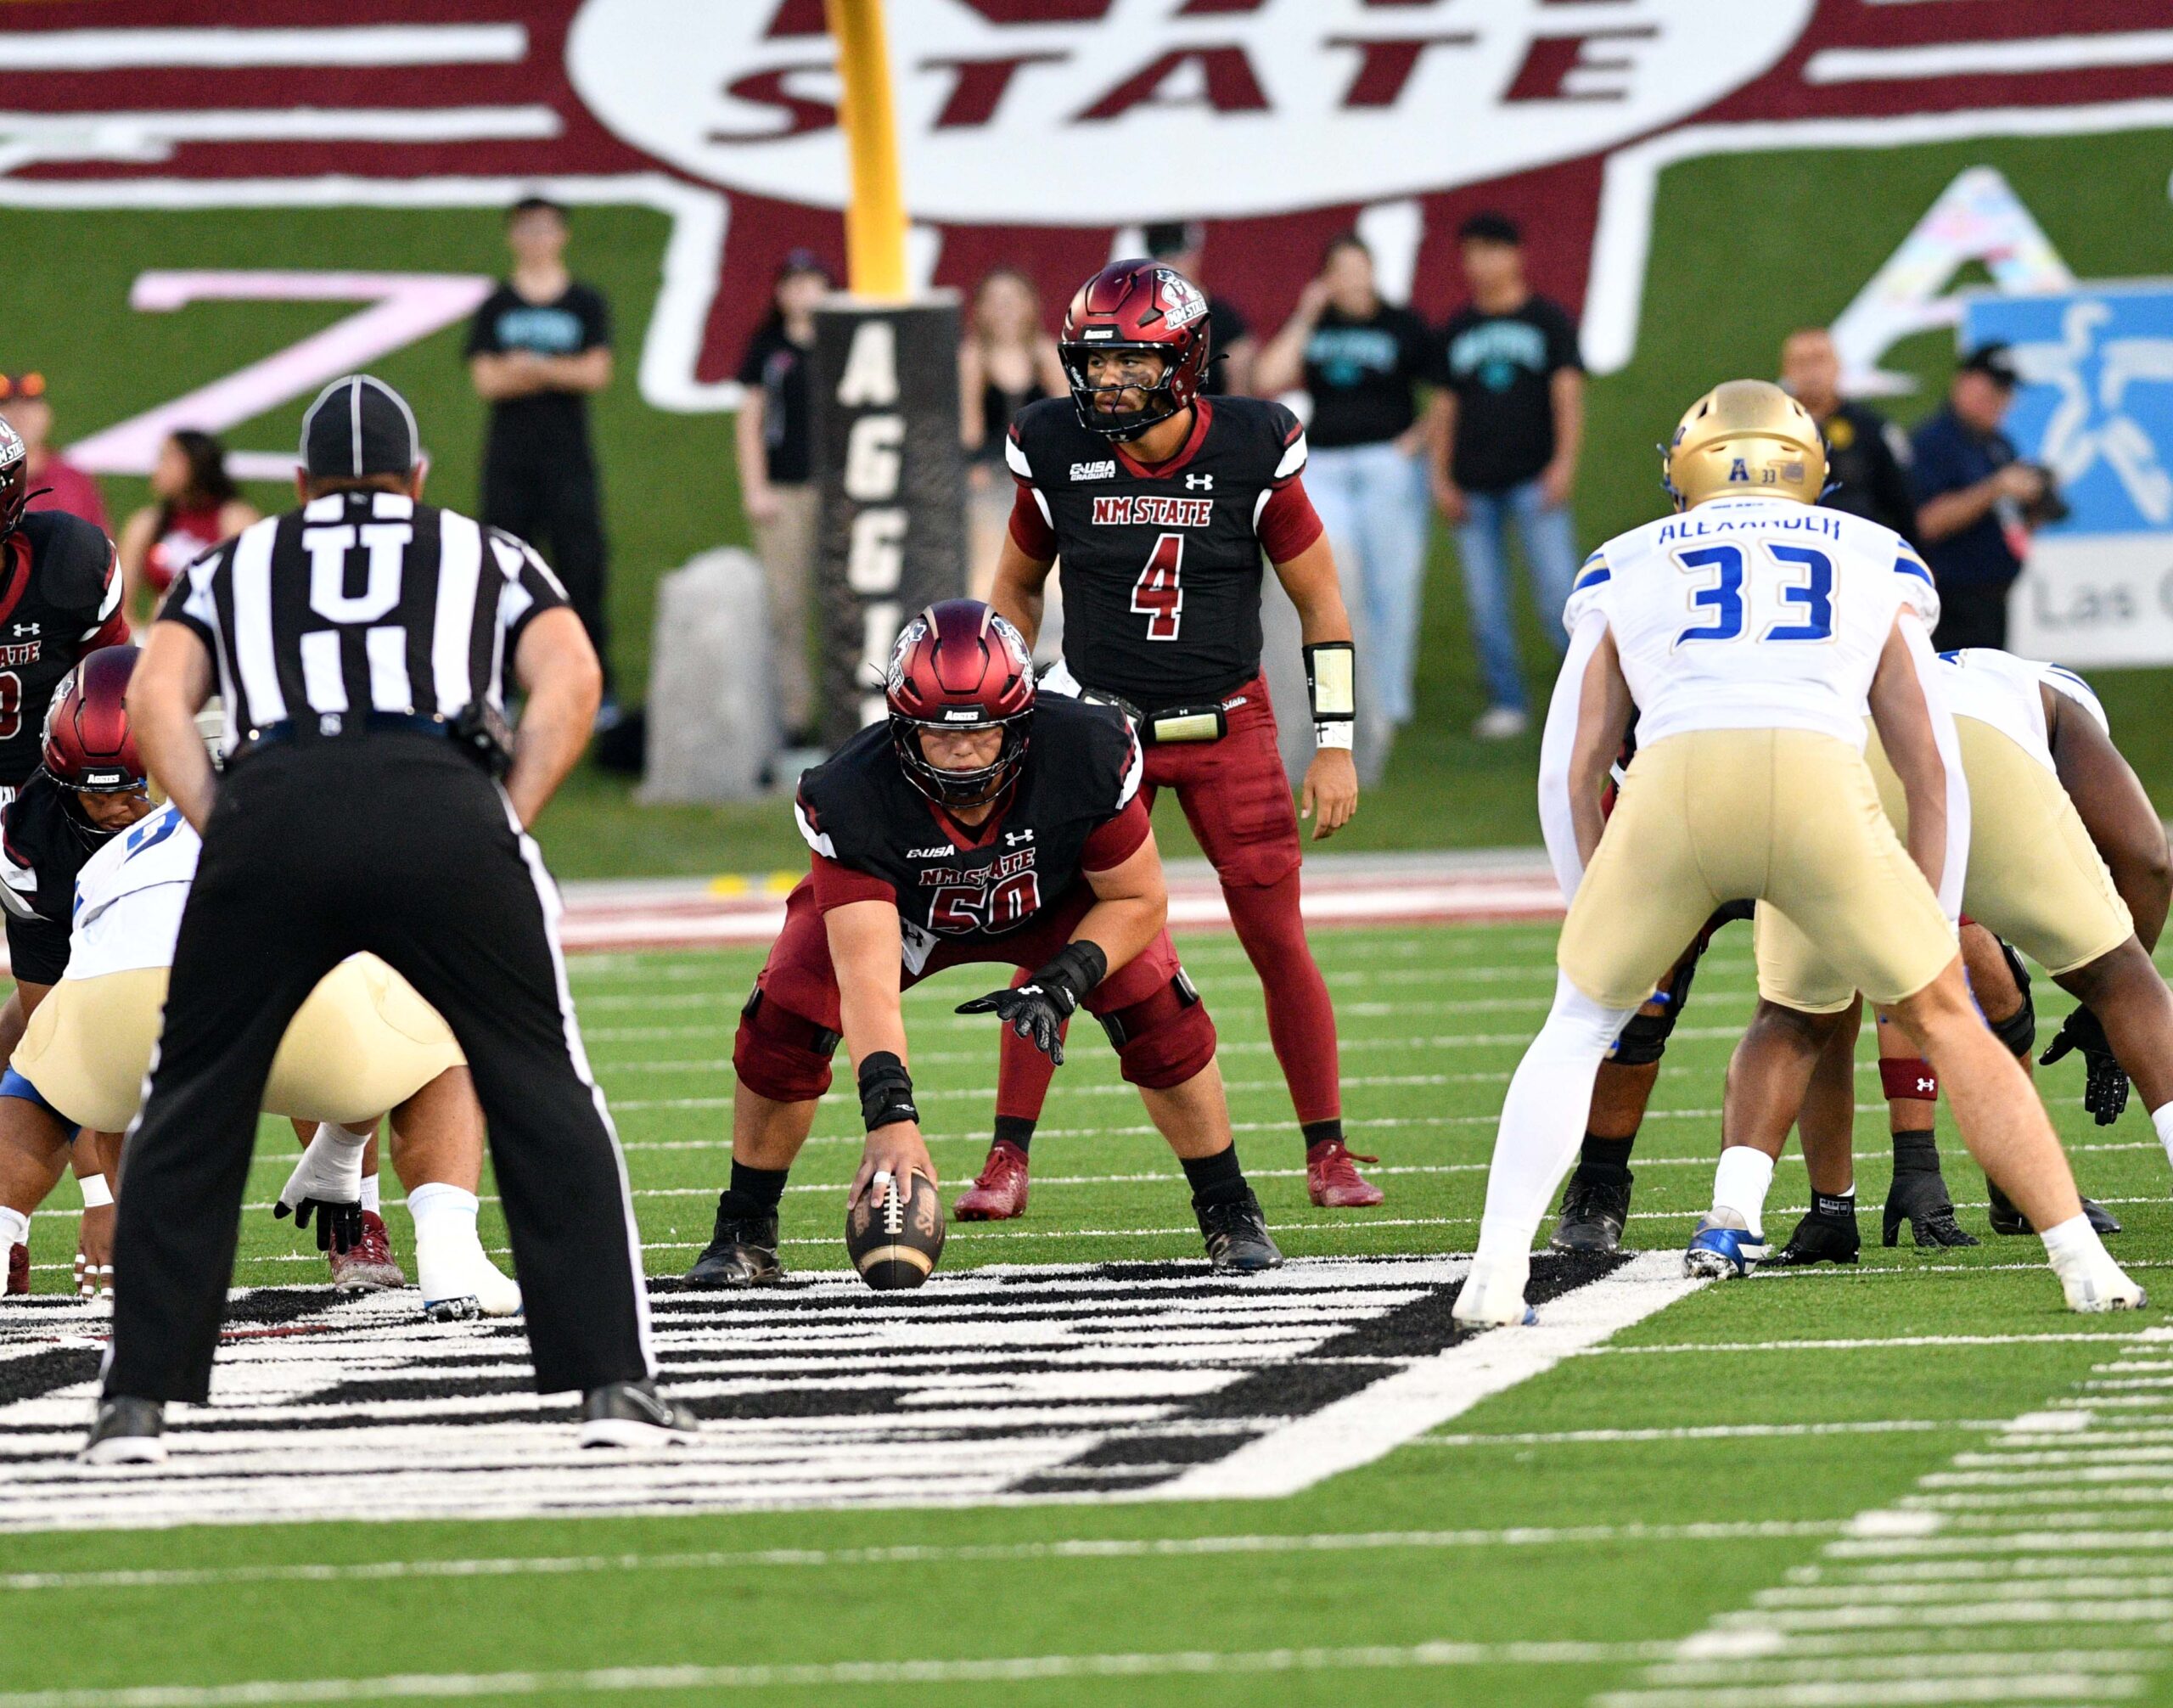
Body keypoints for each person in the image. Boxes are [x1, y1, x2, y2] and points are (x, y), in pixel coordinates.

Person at [82, 373, 686, 1464]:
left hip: (277, 795)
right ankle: (611, 1383)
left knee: (193, 1098)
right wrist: (506, 814)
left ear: (303, 485)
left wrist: (225, 822)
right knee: (542, 1083)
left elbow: (153, 701)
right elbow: (573, 677)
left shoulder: (231, 562)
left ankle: (138, 1401)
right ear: (417, 480)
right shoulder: (481, 551)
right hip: (439, 794)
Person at [1453, 379, 2141, 1329]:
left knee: (1576, 1023)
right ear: (1806, 467)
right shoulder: (1873, 552)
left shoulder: (1623, 560)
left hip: (1676, 784)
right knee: (1947, 1018)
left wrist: (1590, 905)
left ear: (1687, 470)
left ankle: (1494, 1273)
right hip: (1818, 782)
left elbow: (1570, 767)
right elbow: (1927, 762)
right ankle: (2082, 1258)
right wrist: (1934, 915)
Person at [682, 600, 1283, 1284]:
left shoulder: (1087, 749)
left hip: (1049, 899)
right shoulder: (852, 791)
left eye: (984, 732)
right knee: (785, 1014)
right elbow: (867, 982)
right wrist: (890, 1115)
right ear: (902, 727)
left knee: (1160, 1008)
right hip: (911, 915)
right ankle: (745, 1229)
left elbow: (1138, 898)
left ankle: (1230, 1209)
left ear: (1022, 723)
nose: (962, 750)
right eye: (938, 734)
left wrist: (1065, 980)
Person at [967, 258, 1375, 1224]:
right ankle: (1004, 1157)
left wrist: (1335, 741)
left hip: (1227, 722)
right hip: (1097, 728)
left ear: (1184, 361)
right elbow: (1017, 584)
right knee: (1053, 934)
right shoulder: (1054, 443)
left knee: (1276, 939)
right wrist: (1006, 696)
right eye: (1094, 363)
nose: (1103, 383)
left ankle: (1326, 1147)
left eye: (1127, 363)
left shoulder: (1253, 444)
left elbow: (1321, 604)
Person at [1715, 647, 2173, 1268]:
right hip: (1978, 755)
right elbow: (2149, 860)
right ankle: (2021, 1201)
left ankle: (1737, 1218)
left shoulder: (1925, 669)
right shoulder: (2054, 702)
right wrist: (2106, 1008)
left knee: (1793, 1015)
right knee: (2119, 977)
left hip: (1819, 758)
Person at [0, 792, 520, 1319]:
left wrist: (102, 1196)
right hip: (293, 1007)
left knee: (31, 1078)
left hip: (121, 1018)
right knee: (439, 1039)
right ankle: (449, 1251)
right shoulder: (331, 805)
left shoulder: (123, 845)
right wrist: (343, 1142)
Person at [0, 646, 158, 1297]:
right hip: (112, 1000)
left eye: (129, 787)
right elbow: (59, 1027)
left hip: (235, 990)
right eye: (95, 798)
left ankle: (355, 1196)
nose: (116, 808)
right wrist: (99, 1193)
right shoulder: (31, 840)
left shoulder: (235, 792)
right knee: (25, 1046)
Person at [1255, 233, 1435, 733]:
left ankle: (1391, 702)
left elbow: (1444, 390)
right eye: (1341, 270)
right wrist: (1307, 313)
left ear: (1373, 271)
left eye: (1359, 268)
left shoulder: (1401, 324)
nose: (1352, 280)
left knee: (1391, 587)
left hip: (1385, 465)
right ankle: (1341, 694)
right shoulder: (1319, 325)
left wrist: (1416, 441)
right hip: (1326, 468)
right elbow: (1269, 374)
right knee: (1332, 584)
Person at [1429, 212, 1585, 740]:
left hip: (1533, 480)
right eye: (1472, 252)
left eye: (1492, 250)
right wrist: (1441, 477)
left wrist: (1563, 464)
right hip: (1473, 485)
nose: (1482, 263)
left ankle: (1592, 695)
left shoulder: (1548, 321)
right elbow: (1444, 408)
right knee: (1485, 602)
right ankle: (1507, 701)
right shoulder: (1458, 329)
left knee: (1560, 596)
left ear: (1516, 256)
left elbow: (1567, 397)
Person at [467, 196, 617, 711]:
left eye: (545, 228)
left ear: (562, 235)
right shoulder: (496, 304)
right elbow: (486, 380)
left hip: (568, 459)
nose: (535, 239)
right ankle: (499, 691)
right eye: (526, 229)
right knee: (500, 571)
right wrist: (558, 368)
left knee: (583, 569)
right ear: (513, 236)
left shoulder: (585, 303)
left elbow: (597, 372)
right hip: (509, 460)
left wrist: (528, 366)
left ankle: (598, 689)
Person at [733, 250, 831, 744]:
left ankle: (850, 706)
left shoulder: (846, 340)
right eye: (795, 283)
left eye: (813, 282)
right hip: (786, 491)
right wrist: (756, 486)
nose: (804, 293)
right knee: (786, 606)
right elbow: (750, 420)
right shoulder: (768, 348)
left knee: (843, 604)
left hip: (841, 494)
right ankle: (794, 716)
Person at [1910, 344, 2047, 650]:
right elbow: (1925, 523)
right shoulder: (1933, 443)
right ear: (1965, 382)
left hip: (1993, 603)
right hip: (1948, 607)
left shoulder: (1999, 444)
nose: (2003, 401)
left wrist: (2037, 507)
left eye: (2008, 391)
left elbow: (2009, 522)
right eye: (1995, 389)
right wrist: (1995, 488)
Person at [960, 267, 1068, 600]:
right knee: (990, 570)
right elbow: (969, 430)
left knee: (1047, 570)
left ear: (1030, 305)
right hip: (991, 476)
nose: (1004, 310)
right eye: (995, 301)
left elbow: (1068, 419)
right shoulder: (972, 357)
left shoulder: (1046, 353)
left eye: (1012, 300)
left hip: (1041, 478)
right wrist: (974, 470)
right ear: (980, 309)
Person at [1779, 327, 1918, 541]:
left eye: (1819, 360)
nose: (1811, 371)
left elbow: (1902, 505)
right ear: (1786, 370)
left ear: (1837, 365)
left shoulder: (1871, 429)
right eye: (1801, 363)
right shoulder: (1772, 433)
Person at [117, 430, 259, 630]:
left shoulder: (235, 519)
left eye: (168, 458)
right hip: (162, 638)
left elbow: (252, 591)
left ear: (197, 463)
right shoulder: (148, 523)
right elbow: (120, 605)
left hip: (219, 637)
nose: (159, 468)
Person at [1143, 222, 1255, 396]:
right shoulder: (1145, 320)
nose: (1169, 264)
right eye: (1161, 255)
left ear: (1195, 255)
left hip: (1212, 417)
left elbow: (1240, 395)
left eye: (1177, 254)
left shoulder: (1224, 320)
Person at [0, 373, 109, 534]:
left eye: (29, 404)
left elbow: (101, 547)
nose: (19, 413)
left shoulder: (75, 480)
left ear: (47, 415)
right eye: (6, 405)